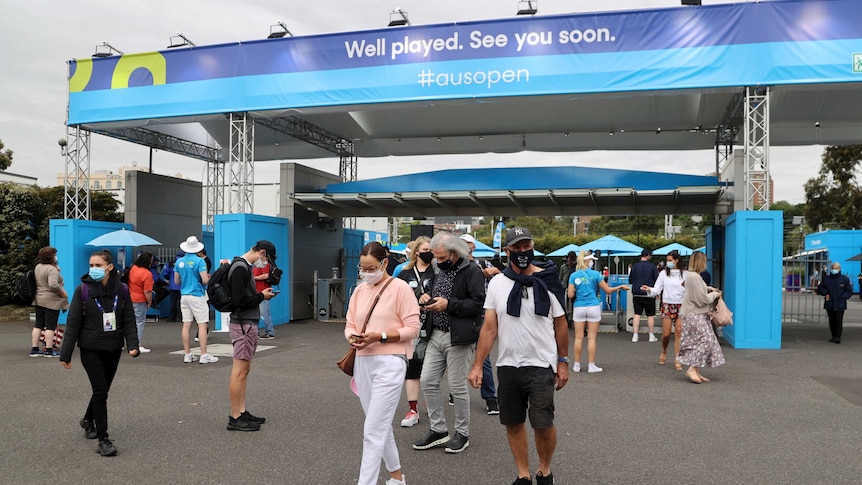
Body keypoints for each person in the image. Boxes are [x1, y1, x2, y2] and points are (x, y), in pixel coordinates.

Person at [469, 226, 569, 485]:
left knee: (543, 425)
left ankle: (544, 470)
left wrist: (563, 361)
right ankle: (523, 473)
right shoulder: (497, 284)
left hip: (541, 364)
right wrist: (478, 365)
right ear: (507, 251)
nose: (523, 252)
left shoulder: (548, 280)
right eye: (517, 248)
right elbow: (490, 328)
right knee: (513, 423)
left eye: (527, 247)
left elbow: (560, 325)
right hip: (508, 365)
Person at [346, 241, 421, 485]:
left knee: (373, 430)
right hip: (363, 361)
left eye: (371, 268)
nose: (366, 273)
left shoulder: (400, 288)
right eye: (362, 268)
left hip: (391, 361)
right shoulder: (358, 291)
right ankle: (397, 476)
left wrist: (381, 336)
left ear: (384, 263)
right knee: (377, 423)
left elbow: (413, 329)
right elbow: (349, 325)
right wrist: (352, 337)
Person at [59, 249, 140, 457]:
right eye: (91, 265)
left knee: (101, 391)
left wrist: (133, 344)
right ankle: (104, 439)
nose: (93, 269)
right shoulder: (83, 290)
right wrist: (65, 353)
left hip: (113, 347)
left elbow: (129, 319)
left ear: (109, 267)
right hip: (90, 348)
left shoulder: (121, 290)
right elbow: (73, 322)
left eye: (98, 265)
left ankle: (87, 420)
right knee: (101, 391)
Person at [413, 232, 484, 454]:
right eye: (436, 257)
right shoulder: (436, 267)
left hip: (459, 336)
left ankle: (461, 434)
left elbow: (477, 304)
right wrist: (423, 296)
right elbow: (426, 288)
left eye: (443, 258)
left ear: (455, 252)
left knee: (457, 387)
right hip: (436, 333)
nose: (438, 261)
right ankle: (439, 430)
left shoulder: (471, 270)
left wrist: (449, 304)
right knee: (428, 381)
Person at [226, 241, 278, 431]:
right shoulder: (241, 268)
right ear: (262, 252)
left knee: (244, 370)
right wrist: (261, 296)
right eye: (266, 259)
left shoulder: (242, 266)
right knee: (239, 371)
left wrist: (260, 296)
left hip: (245, 322)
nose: (265, 264)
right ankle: (235, 416)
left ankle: (241, 410)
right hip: (242, 323)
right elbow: (240, 300)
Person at [460, 233, 502, 415]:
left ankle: (490, 398)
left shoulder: (484, 264)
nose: (465, 247)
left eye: (468, 244)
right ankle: (457, 391)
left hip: (482, 315)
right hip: (460, 315)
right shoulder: (453, 266)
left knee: (482, 357)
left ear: (473, 246)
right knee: (456, 357)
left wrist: (497, 272)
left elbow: (504, 280)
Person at [567, 251, 629, 373]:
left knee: (578, 337)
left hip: (579, 306)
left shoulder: (574, 275)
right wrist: (620, 287)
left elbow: (570, 294)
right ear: (587, 261)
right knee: (591, 338)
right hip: (593, 306)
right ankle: (591, 365)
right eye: (591, 260)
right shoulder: (596, 274)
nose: (592, 262)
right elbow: (608, 290)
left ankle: (576, 365)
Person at [396, 236, 435, 428]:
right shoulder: (404, 273)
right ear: (417, 251)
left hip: (434, 325)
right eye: (426, 249)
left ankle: (431, 404)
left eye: (432, 249)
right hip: (413, 326)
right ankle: (413, 409)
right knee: (413, 367)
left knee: (431, 370)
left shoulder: (438, 271)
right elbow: (395, 298)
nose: (429, 252)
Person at [677, 251, 724, 383]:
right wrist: (715, 294)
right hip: (695, 314)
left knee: (699, 341)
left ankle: (696, 369)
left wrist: (707, 288)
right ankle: (692, 368)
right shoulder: (695, 277)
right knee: (706, 340)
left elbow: (691, 289)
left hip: (694, 313)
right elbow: (702, 299)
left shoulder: (692, 276)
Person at [641, 249, 686, 371]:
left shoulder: (685, 274)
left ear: (677, 260)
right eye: (667, 260)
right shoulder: (663, 274)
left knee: (679, 331)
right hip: (667, 304)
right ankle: (664, 350)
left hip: (682, 305)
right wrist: (649, 289)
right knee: (666, 333)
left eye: (670, 260)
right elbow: (657, 289)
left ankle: (677, 359)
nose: (668, 263)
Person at [175, 236, 217, 364]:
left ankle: (187, 354)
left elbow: (176, 281)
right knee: (202, 324)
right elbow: (204, 280)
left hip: (184, 295)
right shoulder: (200, 262)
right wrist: (209, 278)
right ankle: (203, 355)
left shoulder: (179, 262)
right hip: (197, 295)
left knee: (186, 325)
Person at [31, 246, 69, 357]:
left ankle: (34, 349)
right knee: (50, 326)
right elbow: (53, 284)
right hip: (51, 301)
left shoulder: (38, 267)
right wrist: (62, 293)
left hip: (38, 299)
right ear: (51, 256)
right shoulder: (51, 269)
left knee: (38, 324)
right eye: (54, 254)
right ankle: (49, 349)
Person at [627, 249, 659, 343]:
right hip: (649, 293)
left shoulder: (635, 266)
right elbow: (656, 280)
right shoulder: (652, 267)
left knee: (637, 314)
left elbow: (630, 280)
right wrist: (656, 293)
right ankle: (651, 335)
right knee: (650, 315)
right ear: (648, 255)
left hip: (636, 292)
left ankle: (635, 335)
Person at [817, 262, 853, 344]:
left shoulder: (844, 279)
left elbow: (849, 291)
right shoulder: (827, 279)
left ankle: (837, 337)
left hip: (840, 303)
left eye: (836, 268)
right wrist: (826, 293)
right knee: (832, 320)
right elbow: (820, 288)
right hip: (830, 303)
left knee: (838, 320)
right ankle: (833, 335)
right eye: (833, 268)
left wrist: (843, 297)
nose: (834, 270)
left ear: (839, 269)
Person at [127, 251, 154, 353]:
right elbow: (147, 291)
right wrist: (149, 302)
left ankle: (125, 343)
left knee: (128, 322)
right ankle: (136, 344)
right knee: (139, 322)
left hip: (129, 298)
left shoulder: (132, 268)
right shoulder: (147, 274)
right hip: (140, 300)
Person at [253, 257, 276, 339]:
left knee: (264, 313)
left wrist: (254, 277)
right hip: (258, 292)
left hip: (262, 291)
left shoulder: (264, 264)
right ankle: (259, 333)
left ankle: (269, 332)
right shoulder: (257, 266)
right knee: (261, 313)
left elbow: (266, 275)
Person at [160, 252, 183, 322]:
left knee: (173, 302)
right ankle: (183, 317)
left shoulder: (170, 263)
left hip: (173, 286)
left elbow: (165, 273)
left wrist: (170, 279)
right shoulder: (184, 263)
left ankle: (172, 318)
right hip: (182, 286)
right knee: (182, 303)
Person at [559, 251, 577, 329]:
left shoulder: (577, 267)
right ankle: (567, 318)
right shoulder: (563, 267)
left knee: (573, 303)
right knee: (565, 303)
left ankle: (573, 318)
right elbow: (561, 278)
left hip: (574, 288)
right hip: (565, 286)